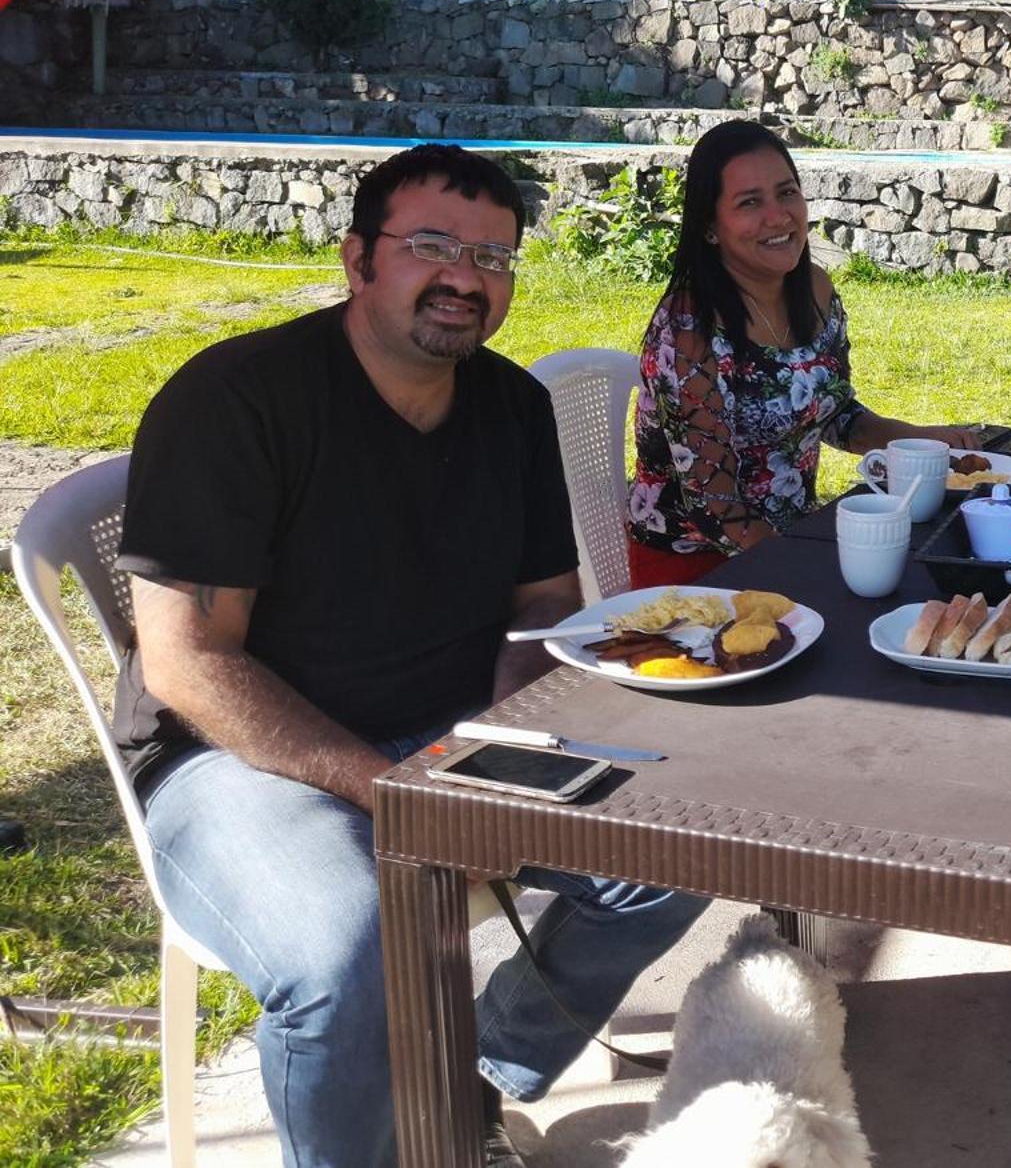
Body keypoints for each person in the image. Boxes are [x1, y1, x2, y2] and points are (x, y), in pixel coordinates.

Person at [116, 144, 709, 1168]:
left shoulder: (511, 408)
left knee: (679, 849)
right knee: (348, 957)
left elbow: (538, 615)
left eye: (494, 257)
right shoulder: (239, 400)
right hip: (234, 756)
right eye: (432, 246)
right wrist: (402, 795)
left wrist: (495, 753)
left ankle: (473, 1077)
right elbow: (188, 665)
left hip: (445, 734)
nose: (465, 279)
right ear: (357, 259)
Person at [628, 120, 974, 585]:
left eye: (787, 193)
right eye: (750, 202)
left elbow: (835, 414)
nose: (778, 217)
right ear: (710, 227)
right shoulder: (689, 330)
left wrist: (921, 440)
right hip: (695, 569)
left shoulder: (814, 291)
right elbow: (714, 507)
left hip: (791, 541)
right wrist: (813, 572)